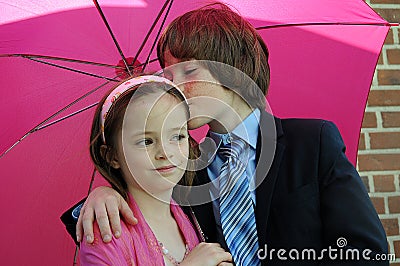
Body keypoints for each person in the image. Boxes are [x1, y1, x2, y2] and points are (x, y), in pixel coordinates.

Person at [68, 3, 388, 265]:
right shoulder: (183, 162)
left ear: (232, 69)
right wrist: (105, 193)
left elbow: (367, 252)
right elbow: (141, 198)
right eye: (167, 71)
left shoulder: (312, 141)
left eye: (188, 70)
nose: (173, 85)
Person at [79, 74, 233, 265]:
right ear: (112, 156)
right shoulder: (106, 235)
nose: (166, 153)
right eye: (146, 141)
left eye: (177, 137)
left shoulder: (196, 211)